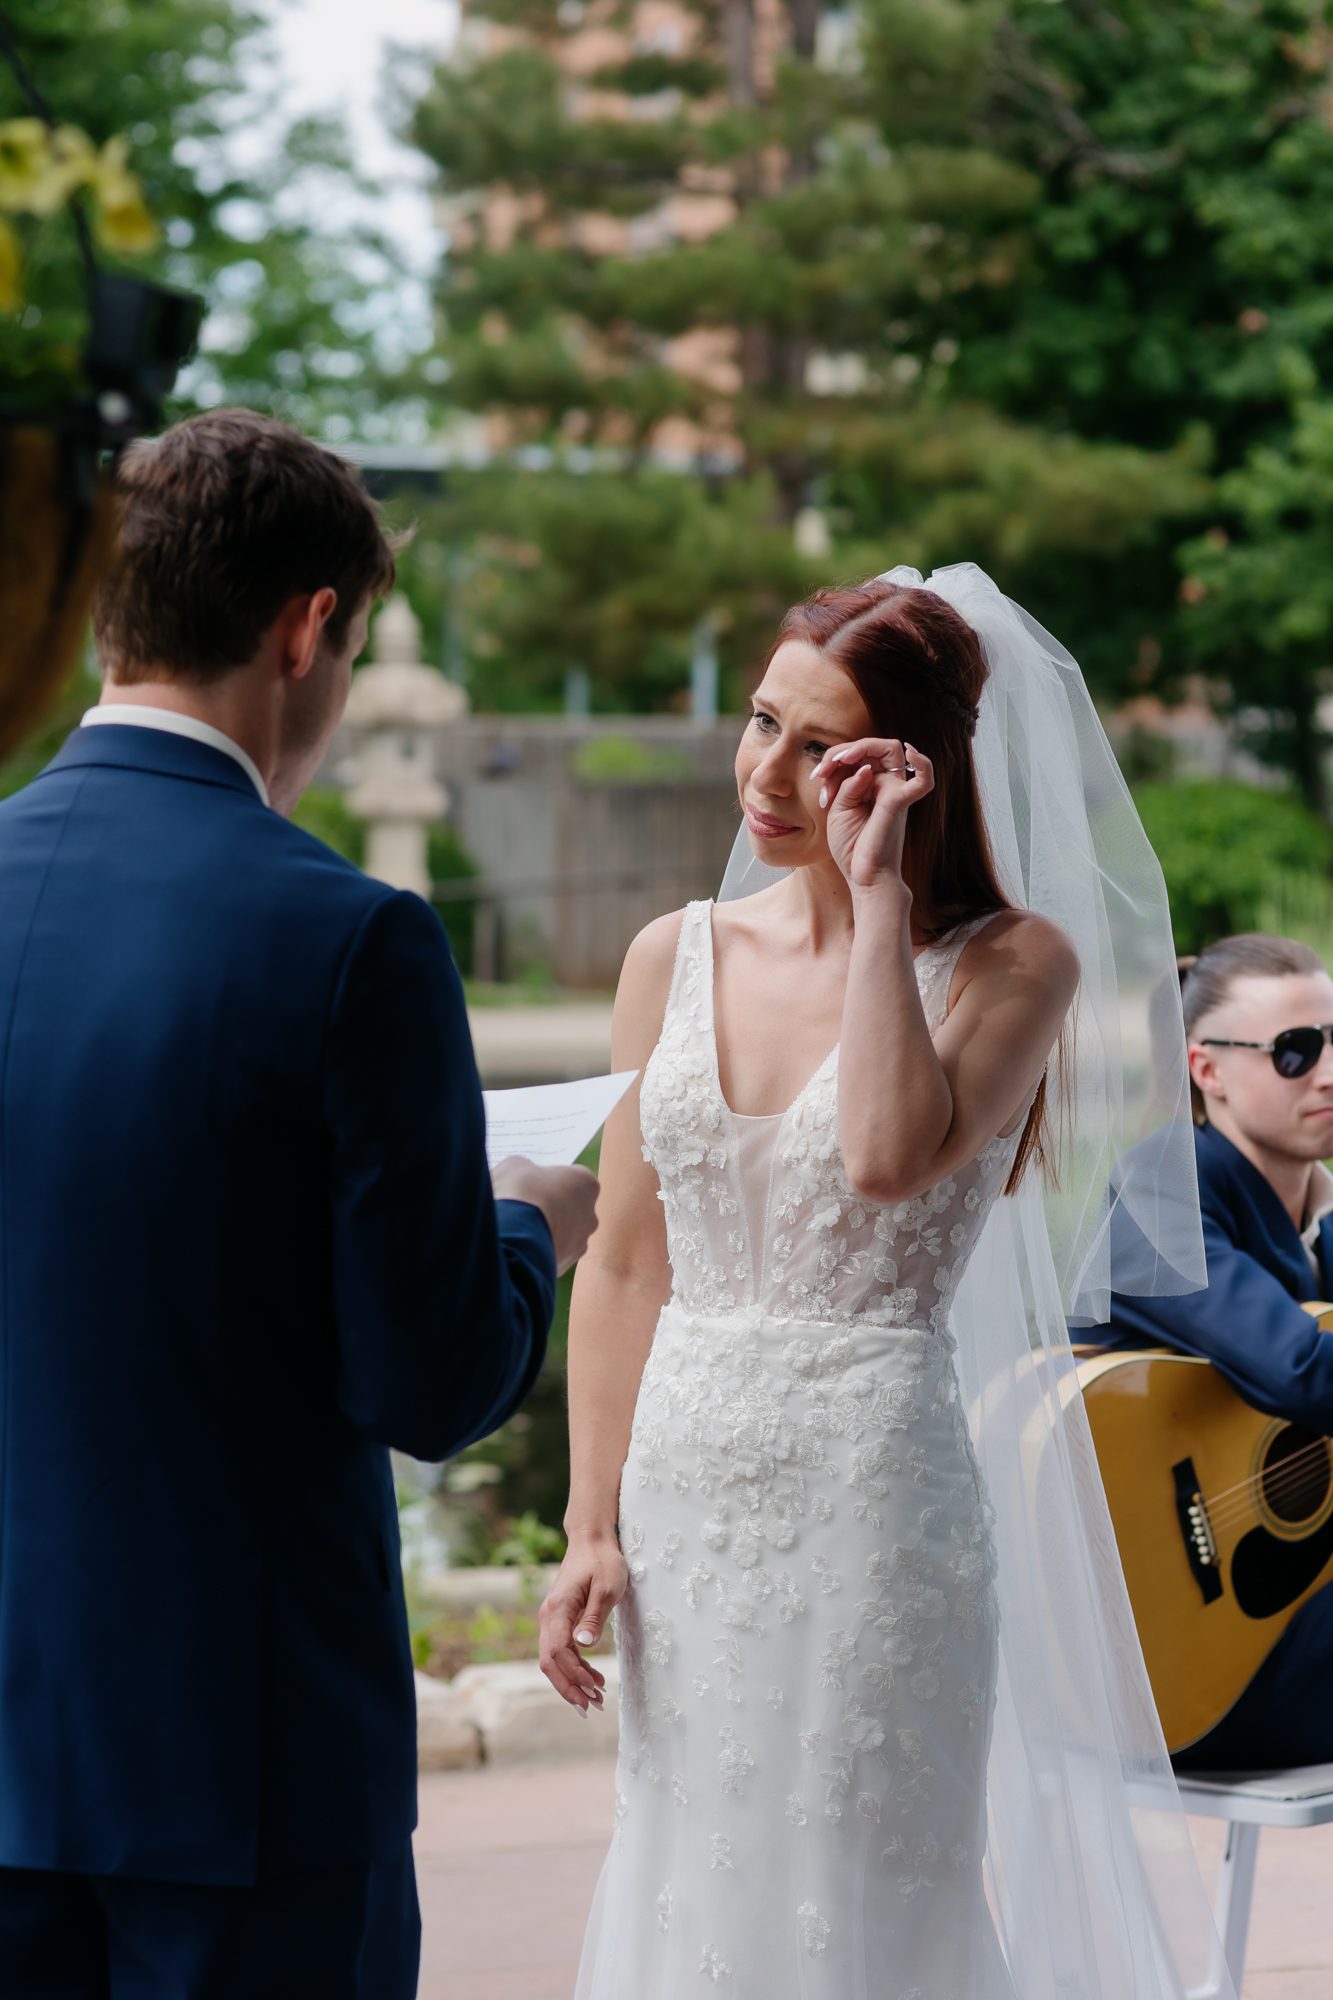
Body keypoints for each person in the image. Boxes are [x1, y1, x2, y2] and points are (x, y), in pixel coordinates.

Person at [540, 568, 1231, 2000]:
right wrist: (586, 1521)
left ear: (919, 771)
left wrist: (871, 903)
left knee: (855, 1890)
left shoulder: (1014, 966)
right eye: (761, 724)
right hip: (684, 1500)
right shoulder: (671, 954)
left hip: (871, 1503)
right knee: (689, 1866)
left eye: (824, 746)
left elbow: (879, 1156)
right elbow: (620, 1255)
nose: (770, 774)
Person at [0, 408, 599, 1999]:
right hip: (241, 1760)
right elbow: (426, 1382)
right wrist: (530, 1226)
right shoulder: (346, 938)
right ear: (310, 627)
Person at [1097, 931, 1333, 1771]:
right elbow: (1300, 1372)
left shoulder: (1322, 1229)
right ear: (1207, 1072)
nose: (1327, 1072)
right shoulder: (1158, 1196)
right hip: (1175, 1658)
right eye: (1295, 1052)